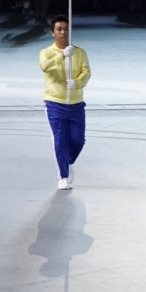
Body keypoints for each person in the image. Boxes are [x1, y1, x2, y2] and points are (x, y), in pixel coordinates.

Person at [39, 15, 91, 190]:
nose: (63, 32)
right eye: (59, 29)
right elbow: (44, 66)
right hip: (55, 102)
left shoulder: (80, 52)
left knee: (78, 140)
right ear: (52, 32)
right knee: (60, 140)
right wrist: (62, 55)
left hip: (76, 103)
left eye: (66, 29)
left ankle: (67, 162)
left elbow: (86, 72)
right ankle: (62, 175)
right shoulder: (46, 52)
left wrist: (77, 83)